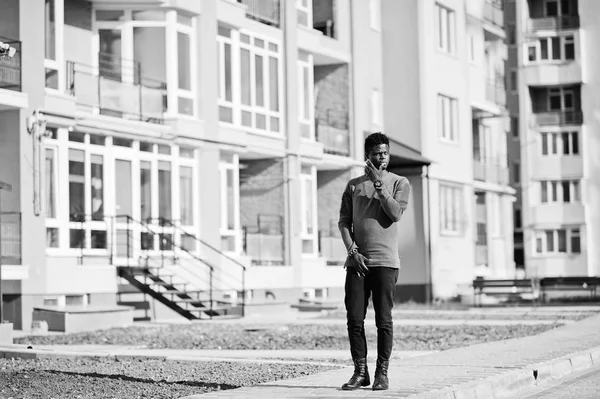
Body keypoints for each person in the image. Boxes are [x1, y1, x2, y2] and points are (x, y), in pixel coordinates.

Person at [338, 132, 410, 391]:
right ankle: (360, 372)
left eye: (385, 152)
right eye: (377, 153)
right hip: (357, 262)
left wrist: (379, 185)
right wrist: (352, 251)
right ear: (366, 156)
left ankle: (382, 373)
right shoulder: (353, 185)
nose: (382, 157)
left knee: (383, 320)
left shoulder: (399, 182)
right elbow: (344, 221)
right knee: (354, 319)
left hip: (385, 262)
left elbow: (395, 214)